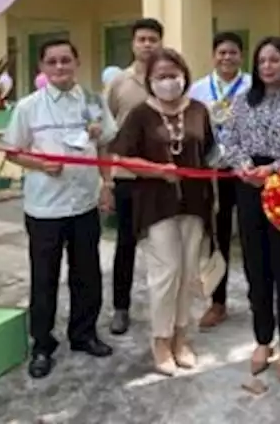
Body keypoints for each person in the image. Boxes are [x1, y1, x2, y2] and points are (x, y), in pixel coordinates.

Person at [3, 39, 117, 379]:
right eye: (51, 61)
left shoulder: (94, 102)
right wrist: (39, 165)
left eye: (66, 60)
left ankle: (83, 335)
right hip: (44, 209)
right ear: (42, 67)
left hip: (83, 204)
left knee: (87, 274)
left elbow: (105, 146)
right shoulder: (28, 107)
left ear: (76, 62)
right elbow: (12, 151)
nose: (59, 67)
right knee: (44, 279)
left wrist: (107, 184)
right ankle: (42, 345)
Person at [108, 47, 217, 376]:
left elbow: (211, 153)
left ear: (184, 76)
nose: (169, 81)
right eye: (161, 76)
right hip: (156, 205)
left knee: (187, 274)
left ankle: (182, 338)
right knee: (165, 274)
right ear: (149, 80)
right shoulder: (140, 114)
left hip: (195, 204)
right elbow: (123, 157)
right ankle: (160, 340)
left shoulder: (199, 109)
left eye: (174, 74)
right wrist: (157, 170)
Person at [219, 36, 280, 380]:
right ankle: (263, 339)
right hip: (248, 187)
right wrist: (245, 167)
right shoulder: (244, 100)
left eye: (275, 59)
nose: (268, 66)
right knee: (256, 266)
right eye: (262, 61)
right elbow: (228, 140)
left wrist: (271, 171)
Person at [103, 18, 165, 337]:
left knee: (163, 246)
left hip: (161, 177)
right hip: (127, 176)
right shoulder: (118, 83)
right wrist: (107, 181)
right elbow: (106, 131)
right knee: (126, 245)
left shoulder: (167, 79)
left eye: (153, 39)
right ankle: (121, 309)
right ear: (133, 43)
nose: (147, 44)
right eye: (141, 39)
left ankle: (164, 310)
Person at [188, 31, 251, 329]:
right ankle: (218, 302)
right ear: (214, 56)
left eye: (233, 52)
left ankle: (259, 296)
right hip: (214, 172)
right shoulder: (198, 89)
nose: (227, 58)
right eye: (222, 52)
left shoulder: (253, 85)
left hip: (247, 170)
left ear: (241, 55)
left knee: (254, 235)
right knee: (217, 238)